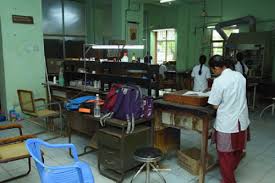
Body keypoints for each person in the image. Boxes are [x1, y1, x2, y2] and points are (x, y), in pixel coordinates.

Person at [208, 55, 250, 183]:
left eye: (213, 70)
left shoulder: (219, 81)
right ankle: (231, 169)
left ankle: (228, 180)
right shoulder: (240, 76)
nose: (213, 73)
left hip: (227, 123)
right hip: (241, 121)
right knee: (237, 149)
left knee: (224, 154)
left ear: (216, 68)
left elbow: (215, 105)